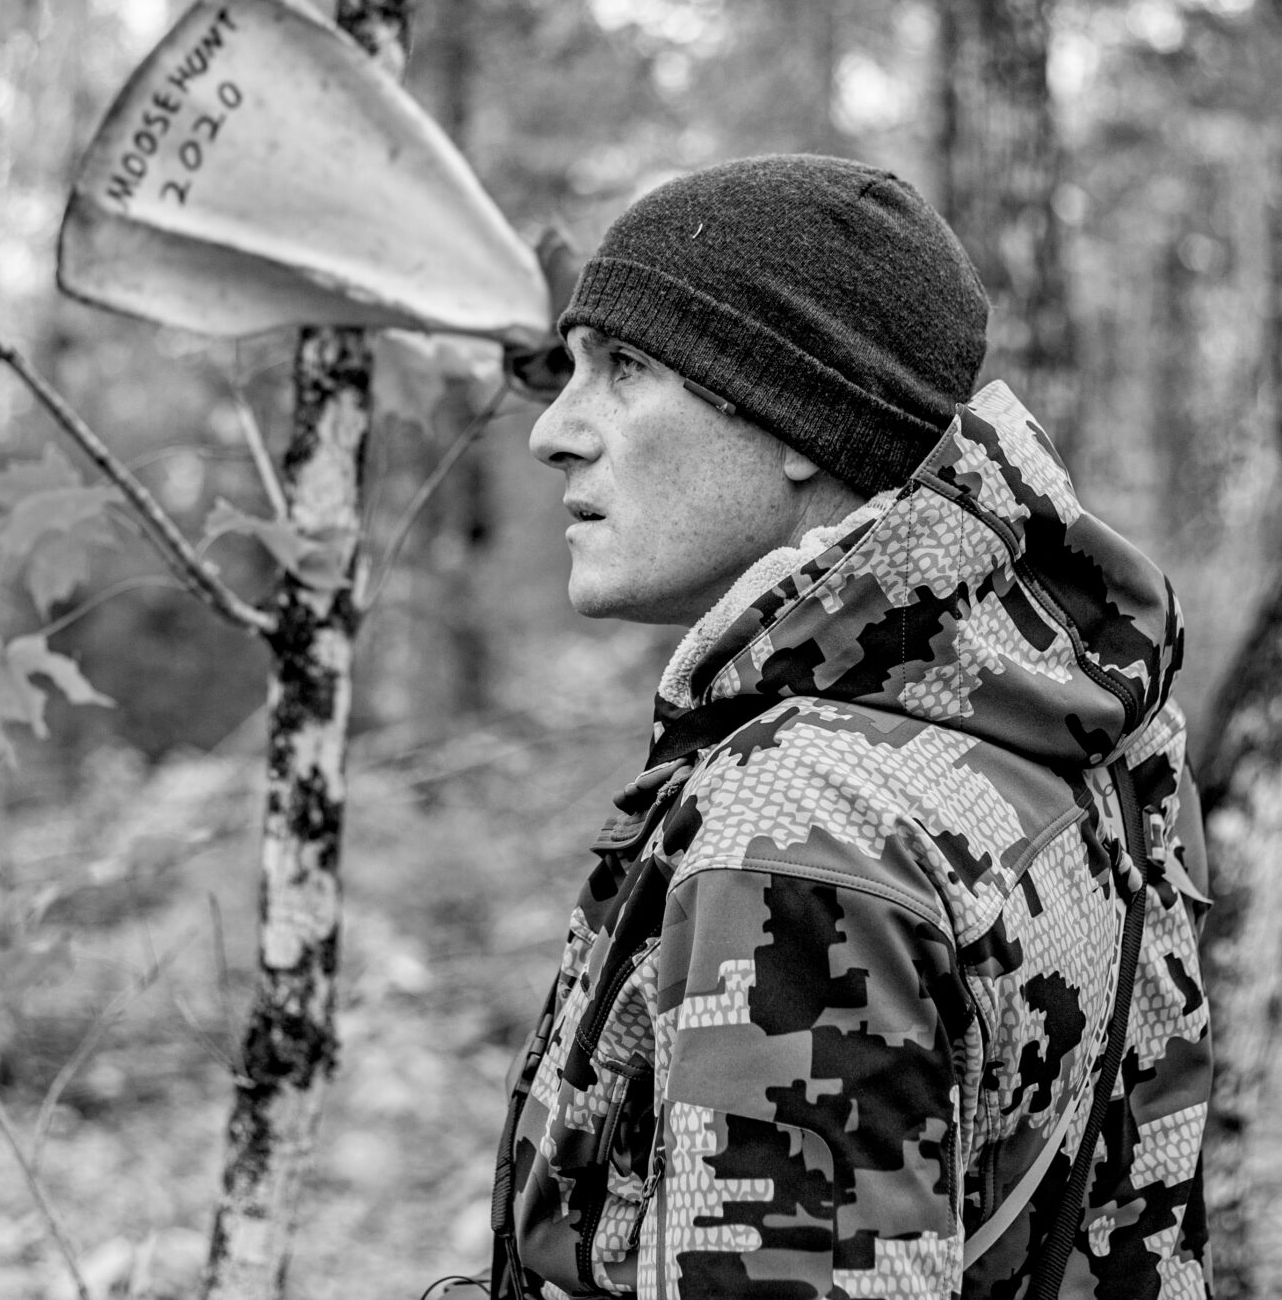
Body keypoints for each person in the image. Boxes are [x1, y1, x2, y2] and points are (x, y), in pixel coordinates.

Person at [488, 156, 1213, 1300]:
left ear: (799, 421)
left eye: (622, 369)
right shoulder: (1069, 720)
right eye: (565, 371)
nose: (555, 434)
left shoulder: (802, 817)